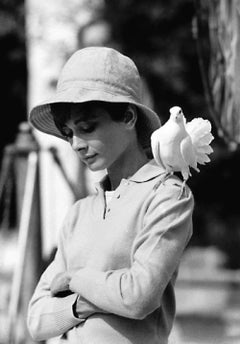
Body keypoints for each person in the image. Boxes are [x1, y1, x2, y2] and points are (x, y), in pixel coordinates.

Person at [27, 46, 194, 344]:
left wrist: (73, 278)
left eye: (87, 127)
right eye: (68, 133)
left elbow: (139, 297)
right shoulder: (79, 212)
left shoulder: (167, 195)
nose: (76, 144)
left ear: (128, 117)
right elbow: (37, 319)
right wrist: (84, 303)